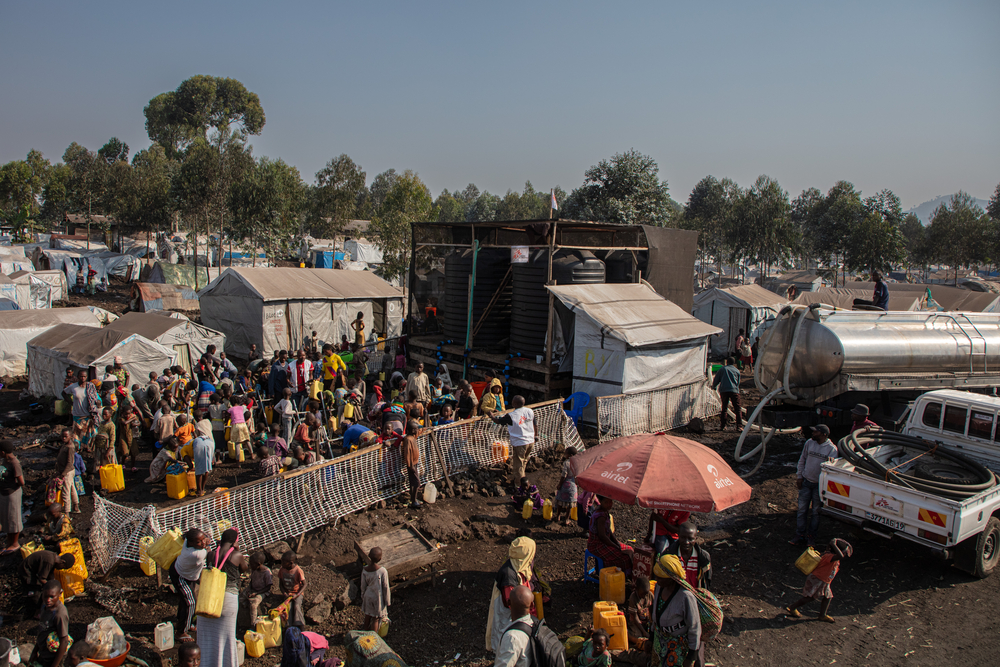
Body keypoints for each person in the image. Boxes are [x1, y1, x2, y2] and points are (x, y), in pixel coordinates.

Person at [200, 528, 246, 667]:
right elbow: (244, 568)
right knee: (227, 638)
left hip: (209, 597)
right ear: (235, 541)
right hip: (228, 597)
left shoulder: (211, 554)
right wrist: (238, 549)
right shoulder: (237, 555)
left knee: (207, 636)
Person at [650, 554, 703, 667]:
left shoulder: (686, 597)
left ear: (671, 578)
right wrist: (650, 637)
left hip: (677, 646)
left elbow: (695, 628)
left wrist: (691, 657)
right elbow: (655, 613)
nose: (657, 580)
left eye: (660, 577)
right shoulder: (659, 587)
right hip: (659, 640)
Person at [486, 537, 536, 653]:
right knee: (506, 640)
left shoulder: (519, 566)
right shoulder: (508, 575)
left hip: (514, 614)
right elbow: (511, 602)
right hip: (508, 615)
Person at [785, 538, 853, 623]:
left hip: (824, 581)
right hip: (817, 580)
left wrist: (833, 545)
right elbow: (840, 556)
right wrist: (834, 545)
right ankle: (792, 607)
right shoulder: (829, 557)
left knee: (828, 597)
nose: (845, 554)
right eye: (844, 552)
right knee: (809, 598)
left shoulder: (830, 556)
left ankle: (822, 615)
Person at [791, 424, 838, 547]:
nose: (813, 433)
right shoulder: (809, 443)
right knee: (801, 510)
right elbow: (802, 460)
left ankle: (811, 537)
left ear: (823, 435)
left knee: (816, 512)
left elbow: (831, 472)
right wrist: (799, 476)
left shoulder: (831, 450)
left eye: (815, 432)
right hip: (806, 482)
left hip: (819, 486)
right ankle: (800, 534)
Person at [170, 528, 209, 641]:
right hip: (181, 577)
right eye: (199, 542)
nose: (202, 543)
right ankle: (181, 632)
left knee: (186, 600)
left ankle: (183, 623)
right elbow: (209, 549)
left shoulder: (187, 543)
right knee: (191, 603)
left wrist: (204, 539)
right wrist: (207, 541)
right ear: (191, 542)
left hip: (187, 574)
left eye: (202, 540)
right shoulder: (197, 554)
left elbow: (202, 539)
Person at [490, 395, 535, 486]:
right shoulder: (529, 411)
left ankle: (519, 485)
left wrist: (491, 415)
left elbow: (498, 421)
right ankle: (523, 479)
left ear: (515, 404)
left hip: (520, 442)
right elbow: (535, 424)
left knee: (518, 464)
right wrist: (536, 436)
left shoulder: (512, 415)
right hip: (530, 441)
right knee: (524, 461)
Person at [588, 496, 633, 576]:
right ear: (601, 502)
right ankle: (619, 576)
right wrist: (615, 546)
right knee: (624, 557)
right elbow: (602, 536)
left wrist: (616, 542)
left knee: (629, 550)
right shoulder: (601, 516)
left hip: (605, 541)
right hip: (597, 544)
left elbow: (608, 530)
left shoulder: (604, 511)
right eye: (606, 502)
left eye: (610, 502)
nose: (609, 504)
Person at [30, 580, 71, 667]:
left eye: (52, 597)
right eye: (45, 596)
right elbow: (42, 630)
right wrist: (35, 651)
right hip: (43, 652)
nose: (48, 600)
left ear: (60, 593)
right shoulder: (44, 606)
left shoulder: (60, 614)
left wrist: (54, 665)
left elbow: (64, 641)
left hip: (53, 658)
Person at [664, 522, 712, 589]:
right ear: (678, 536)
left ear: (695, 539)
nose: (686, 542)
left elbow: (706, 582)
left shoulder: (704, 558)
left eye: (690, 539)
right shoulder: (668, 556)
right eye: (683, 537)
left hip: (695, 597)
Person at [622, 575, 654, 666]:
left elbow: (653, 610)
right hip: (636, 623)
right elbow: (635, 617)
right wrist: (644, 632)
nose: (644, 596)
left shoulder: (650, 595)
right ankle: (628, 635)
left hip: (646, 621)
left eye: (646, 594)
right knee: (638, 637)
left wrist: (652, 623)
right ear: (636, 589)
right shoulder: (633, 598)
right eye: (642, 594)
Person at [1, 439, 26, 555]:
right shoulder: (5, 461)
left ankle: (15, 544)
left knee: (14, 518)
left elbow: (21, 482)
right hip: (4, 493)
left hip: (12, 493)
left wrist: (10, 484)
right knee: (6, 518)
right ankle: (9, 543)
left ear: (3, 452)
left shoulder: (14, 463)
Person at [360, 546, 391, 632]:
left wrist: (363, 596)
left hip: (368, 595)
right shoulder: (382, 571)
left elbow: (363, 586)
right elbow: (385, 587)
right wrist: (387, 601)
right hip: (377, 597)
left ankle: (365, 633)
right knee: (376, 618)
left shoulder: (365, 570)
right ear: (380, 558)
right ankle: (374, 637)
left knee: (367, 615)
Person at [243, 551, 273, 628]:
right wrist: (249, 589)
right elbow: (251, 581)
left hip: (262, 591)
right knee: (240, 596)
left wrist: (256, 593)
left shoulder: (266, 572)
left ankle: (253, 624)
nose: (250, 566)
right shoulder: (254, 570)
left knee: (253, 605)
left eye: (252, 564)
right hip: (253, 589)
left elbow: (268, 587)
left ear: (258, 564)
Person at [711, 357, 742, 430]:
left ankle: (723, 426)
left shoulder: (723, 369)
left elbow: (716, 379)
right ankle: (739, 426)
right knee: (737, 409)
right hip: (734, 390)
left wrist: (714, 386)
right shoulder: (737, 371)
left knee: (724, 408)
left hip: (724, 390)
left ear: (727, 362)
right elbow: (738, 382)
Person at [279, 550, 306, 629]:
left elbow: (305, 584)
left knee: (297, 606)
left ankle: (301, 627)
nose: (282, 564)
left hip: (297, 593)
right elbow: (280, 584)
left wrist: (297, 594)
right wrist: (284, 593)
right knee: (287, 608)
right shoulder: (282, 570)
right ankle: (289, 628)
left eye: (284, 563)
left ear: (290, 563)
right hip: (288, 594)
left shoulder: (298, 571)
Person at [552, 446, 579, 525]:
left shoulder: (567, 463)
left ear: (570, 455)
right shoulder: (578, 463)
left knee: (560, 501)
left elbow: (564, 475)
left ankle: (558, 516)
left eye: (566, 454)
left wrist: (559, 484)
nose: (564, 455)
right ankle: (567, 519)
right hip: (573, 486)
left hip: (565, 485)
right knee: (570, 504)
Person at [54, 430, 79, 514]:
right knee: (72, 489)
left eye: (66, 436)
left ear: (71, 436)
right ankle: (76, 506)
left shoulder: (70, 447)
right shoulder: (65, 445)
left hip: (67, 472)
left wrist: (62, 474)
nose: (64, 438)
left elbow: (69, 462)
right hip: (69, 471)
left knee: (66, 492)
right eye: (62, 436)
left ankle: (67, 513)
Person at [191, 421, 214, 496]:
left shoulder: (197, 425)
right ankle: (203, 488)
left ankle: (199, 490)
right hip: (210, 441)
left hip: (200, 443)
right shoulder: (208, 421)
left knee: (199, 469)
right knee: (207, 467)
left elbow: (196, 435)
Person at [403, 419, 421, 508]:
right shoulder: (407, 439)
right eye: (415, 429)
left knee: (414, 482)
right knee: (416, 482)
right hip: (412, 465)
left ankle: (414, 499)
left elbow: (422, 430)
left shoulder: (414, 437)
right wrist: (410, 465)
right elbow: (407, 453)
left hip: (415, 463)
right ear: (410, 430)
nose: (416, 430)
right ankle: (414, 500)